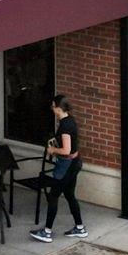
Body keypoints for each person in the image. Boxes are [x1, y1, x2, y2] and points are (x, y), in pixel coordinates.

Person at [30, 95, 86, 243]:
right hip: (75, 163)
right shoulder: (69, 120)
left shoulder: (65, 127)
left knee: (53, 196)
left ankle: (47, 232)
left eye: (53, 106)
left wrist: (53, 150)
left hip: (67, 166)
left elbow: (66, 150)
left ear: (59, 109)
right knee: (69, 195)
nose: (52, 109)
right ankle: (79, 228)